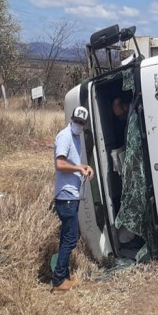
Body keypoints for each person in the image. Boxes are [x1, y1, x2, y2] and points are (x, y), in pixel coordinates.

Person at [52, 106, 94, 293]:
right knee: (70, 238)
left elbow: (71, 164)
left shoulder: (76, 137)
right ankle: (59, 280)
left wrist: (84, 167)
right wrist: (79, 169)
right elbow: (60, 164)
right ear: (71, 119)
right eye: (76, 121)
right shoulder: (65, 136)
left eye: (82, 123)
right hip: (66, 196)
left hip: (72, 195)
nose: (78, 125)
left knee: (67, 237)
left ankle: (65, 275)